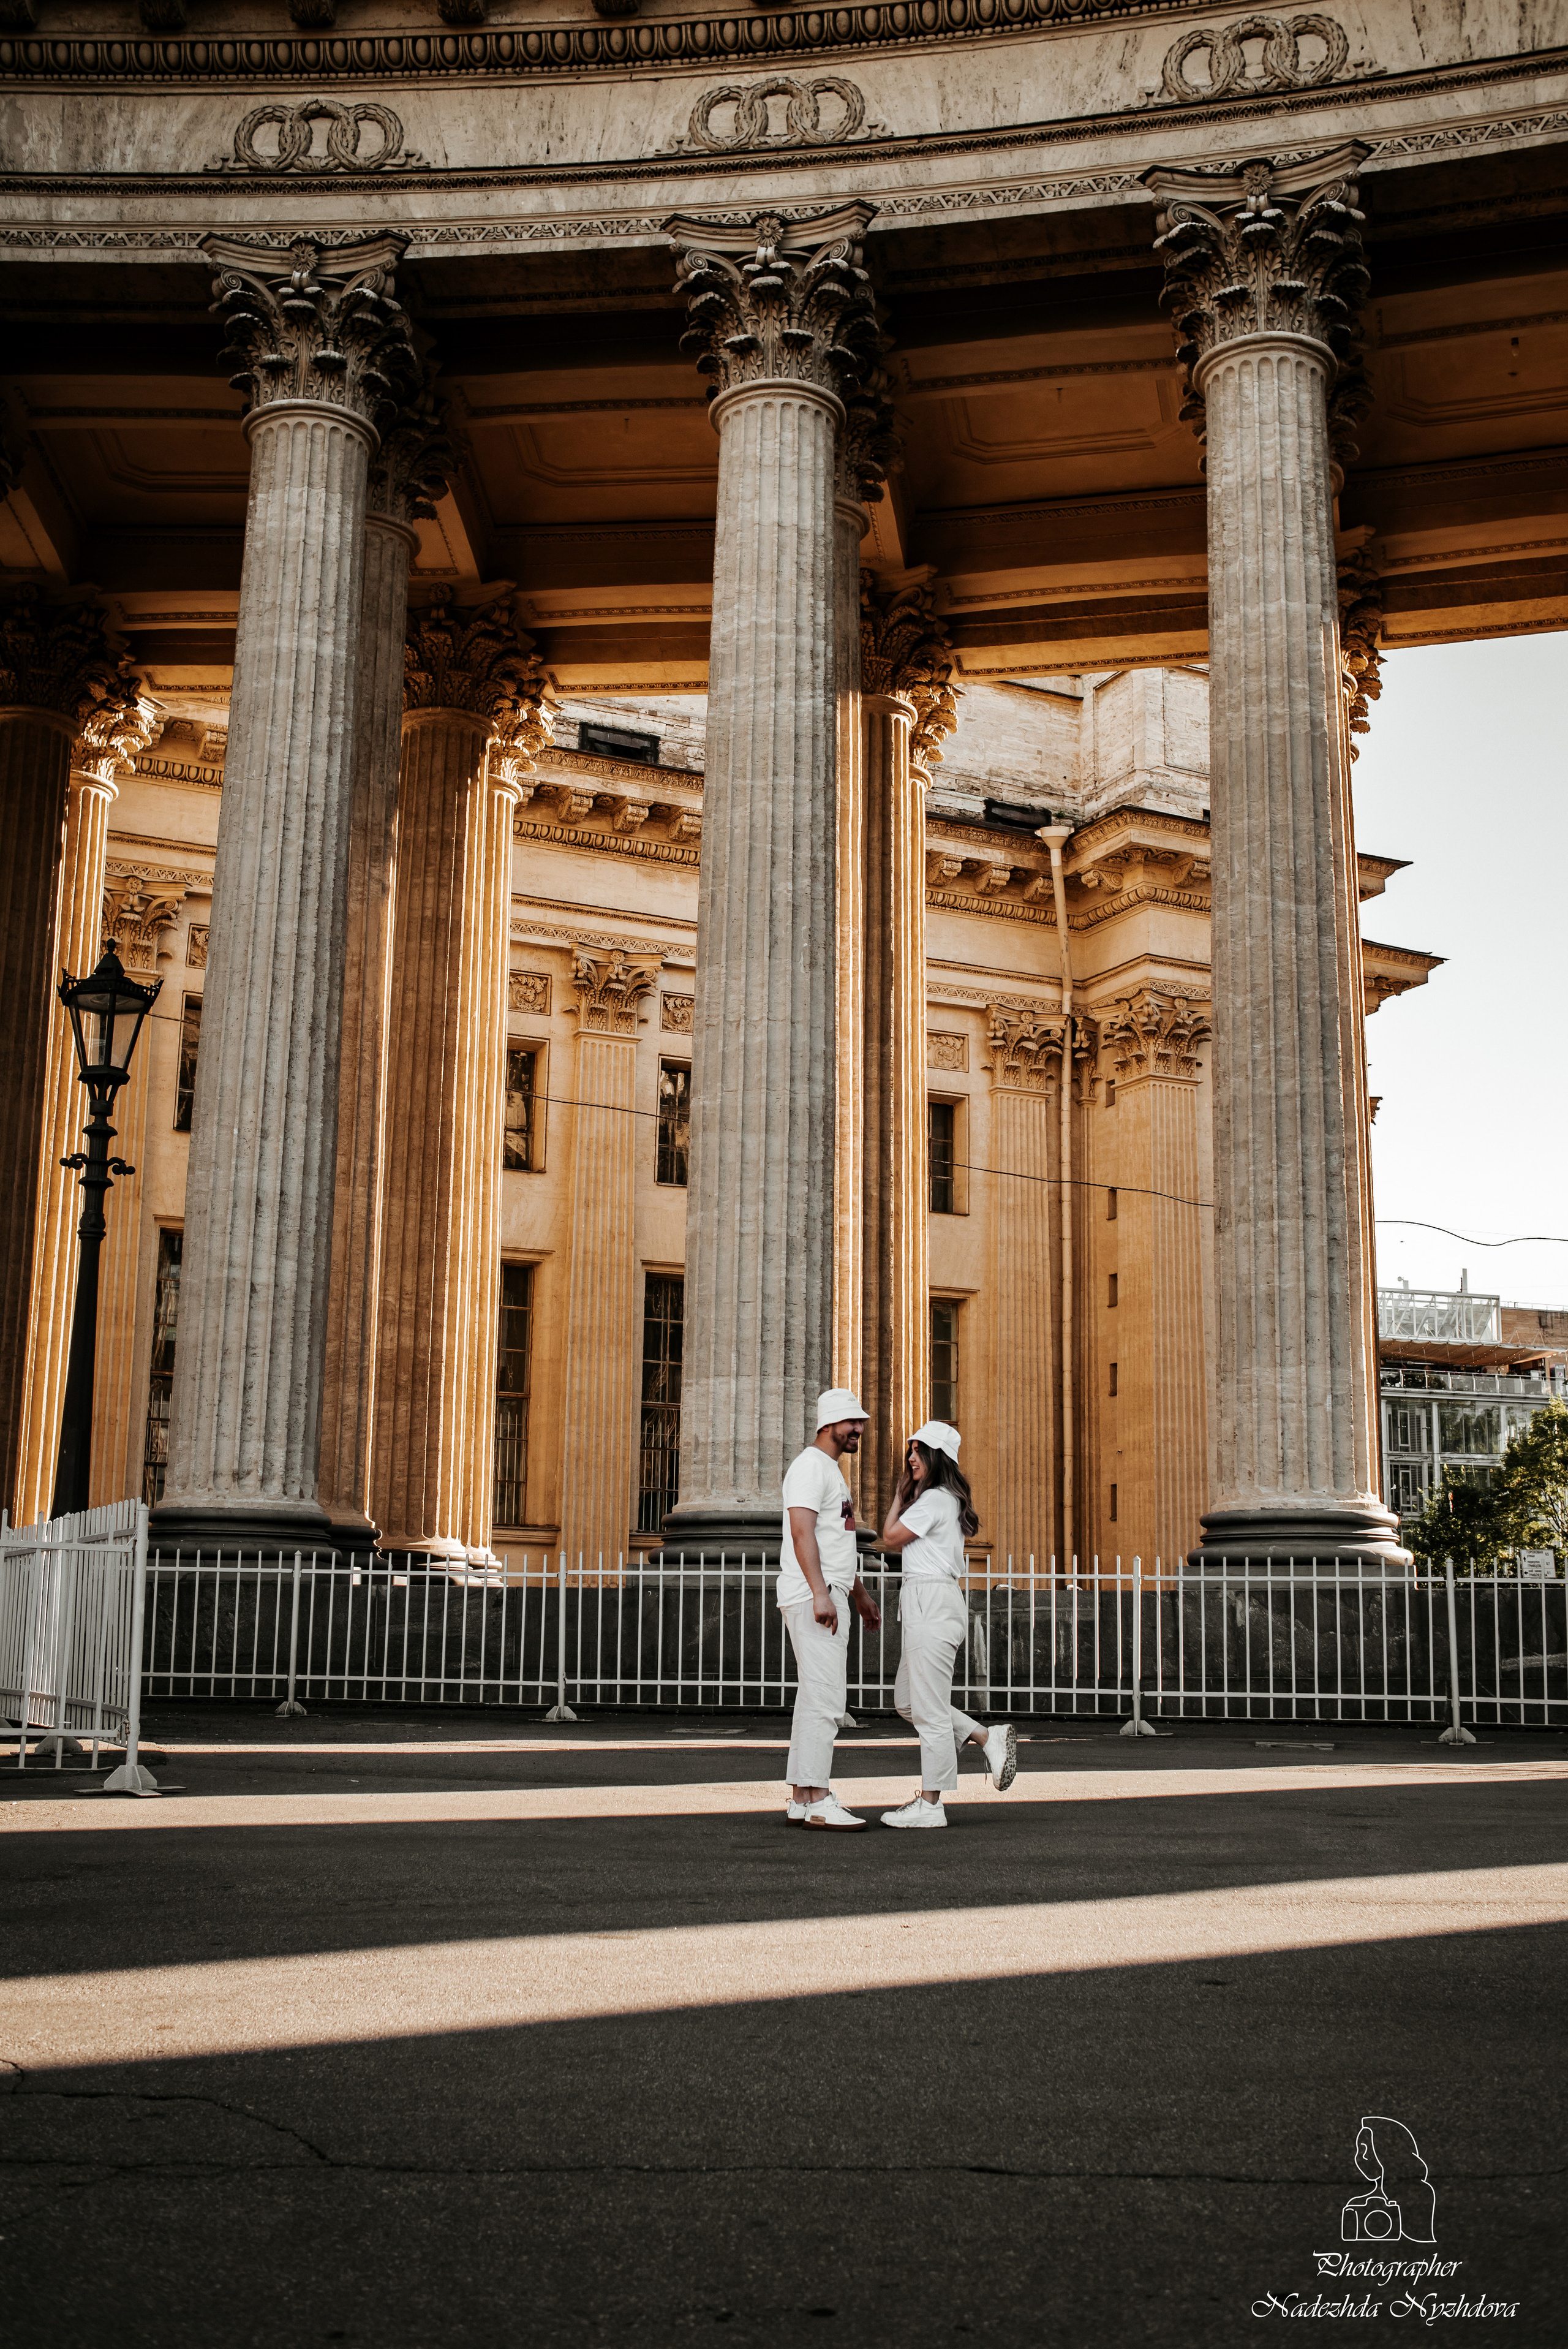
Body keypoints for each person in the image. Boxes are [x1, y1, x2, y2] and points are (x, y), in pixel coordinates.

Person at [876, 1421, 1016, 1828]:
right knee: (909, 1702)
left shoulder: (935, 1500)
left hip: (932, 1603)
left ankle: (932, 1804)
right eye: (911, 1450)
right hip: (929, 1603)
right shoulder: (942, 1499)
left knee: (931, 1712)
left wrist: (899, 1496)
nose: (911, 1458)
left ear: (937, 1458)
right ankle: (986, 1736)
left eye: (919, 1451)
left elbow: (889, 1537)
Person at [780, 1388, 884, 1829]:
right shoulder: (809, 1467)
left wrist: (857, 1594)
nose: (859, 1429)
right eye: (851, 1423)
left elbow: (836, 1542)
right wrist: (822, 1593)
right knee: (826, 1698)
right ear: (828, 1425)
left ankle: (803, 1798)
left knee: (813, 1698)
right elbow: (802, 1534)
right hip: (813, 1596)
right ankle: (820, 1799)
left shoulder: (830, 1471)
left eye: (860, 1422)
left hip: (828, 1591)